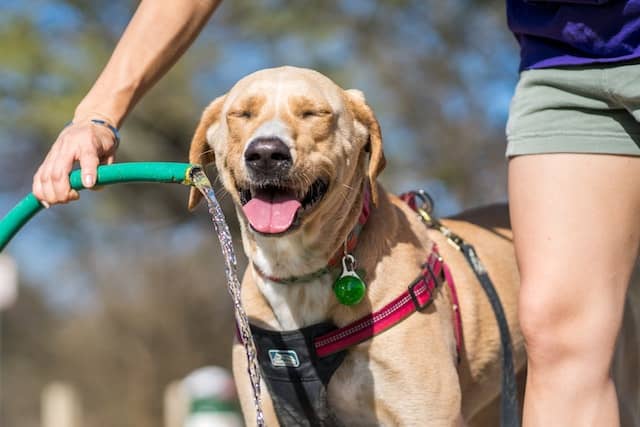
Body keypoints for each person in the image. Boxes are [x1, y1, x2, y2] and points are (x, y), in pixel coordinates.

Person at [32, 1, 640, 425]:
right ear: (209, 151)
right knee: (568, 348)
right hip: (570, 65)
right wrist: (97, 112)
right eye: (244, 119)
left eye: (310, 116)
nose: (268, 143)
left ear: (365, 147)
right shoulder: (249, 312)